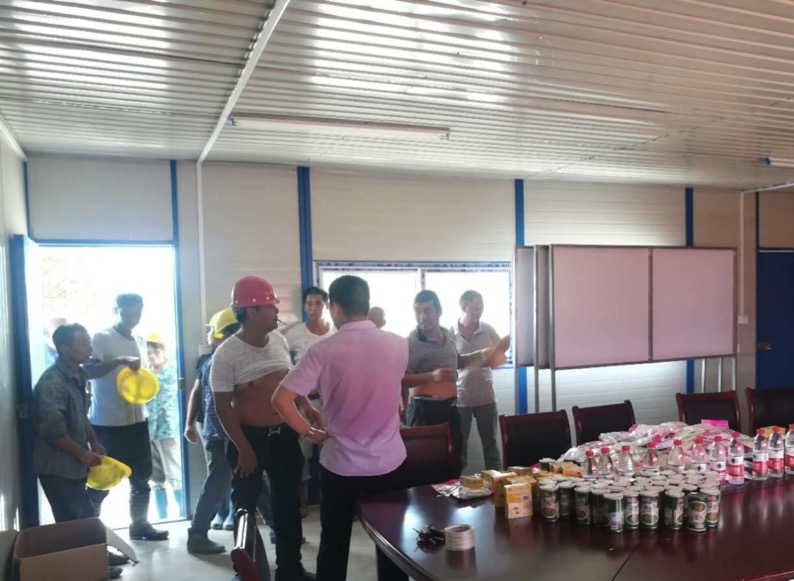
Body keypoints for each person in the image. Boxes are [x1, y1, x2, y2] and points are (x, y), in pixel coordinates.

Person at [273, 275, 408, 581]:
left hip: (341, 465)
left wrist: (310, 433)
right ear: (367, 305)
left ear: (335, 308)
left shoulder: (323, 351)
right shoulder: (398, 344)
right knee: (393, 545)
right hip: (389, 462)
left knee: (334, 544)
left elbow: (280, 399)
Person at [212, 276, 318, 581]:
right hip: (248, 440)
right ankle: (248, 572)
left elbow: (290, 382)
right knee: (245, 508)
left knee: (287, 504)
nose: (276, 311)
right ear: (252, 311)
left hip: (283, 436)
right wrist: (244, 449)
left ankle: (290, 568)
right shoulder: (226, 354)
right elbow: (223, 407)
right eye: (271, 306)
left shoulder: (279, 341)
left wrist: (307, 408)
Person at [32, 323, 125, 580]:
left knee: (85, 516)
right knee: (71, 522)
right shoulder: (52, 382)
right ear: (64, 348)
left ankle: (96, 556)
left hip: (74, 463)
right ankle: (83, 567)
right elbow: (52, 430)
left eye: (89, 341)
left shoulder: (79, 375)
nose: (89, 347)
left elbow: (82, 416)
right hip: (57, 466)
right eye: (83, 342)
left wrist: (93, 442)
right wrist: (82, 453)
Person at [84, 293, 168, 541]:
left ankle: (140, 525)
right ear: (116, 311)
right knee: (102, 480)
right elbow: (88, 370)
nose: (133, 318)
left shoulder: (140, 339)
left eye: (137, 312)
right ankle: (88, 532)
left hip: (138, 421)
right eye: (127, 313)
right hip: (107, 422)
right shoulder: (102, 337)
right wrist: (118, 361)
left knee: (142, 478)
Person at [402, 290, 509, 476]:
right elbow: (402, 378)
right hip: (424, 410)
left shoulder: (447, 334)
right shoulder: (411, 341)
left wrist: (484, 354)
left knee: (454, 462)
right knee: (426, 466)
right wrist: (430, 376)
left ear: (439, 311)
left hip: (451, 407)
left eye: (427, 310)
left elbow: (457, 361)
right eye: (417, 311)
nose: (422, 316)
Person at [184, 308, 239, 554]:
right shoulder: (220, 361)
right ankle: (197, 534)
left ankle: (277, 528)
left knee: (253, 482)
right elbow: (218, 403)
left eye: (211, 330)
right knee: (218, 483)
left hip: (224, 433)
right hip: (224, 434)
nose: (208, 334)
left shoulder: (223, 359)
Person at [280, 286, 334, 518]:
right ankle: (300, 502)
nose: (313, 308)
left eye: (318, 303)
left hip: (332, 403)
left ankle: (331, 500)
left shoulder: (336, 333)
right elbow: (284, 368)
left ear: (326, 305)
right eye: (309, 303)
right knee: (302, 455)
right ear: (304, 306)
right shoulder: (293, 335)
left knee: (332, 452)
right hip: (303, 404)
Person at [452, 291, 505, 471]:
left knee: (491, 446)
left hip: (486, 397)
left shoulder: (488, 330)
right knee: (459, 447)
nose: (480, 311)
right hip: (461, 398)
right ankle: (457, 483)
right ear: (463, 306)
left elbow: (500, 357)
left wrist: (494, 360)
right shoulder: (450, 332)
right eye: (476, 307)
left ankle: (496, 480)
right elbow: (449, 362)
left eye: (481, 307)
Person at [145, 333, 182, 519]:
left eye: (156, 351)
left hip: (168, 427)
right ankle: (162, 517)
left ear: (163, 352)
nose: (152, 356)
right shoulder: (144, 373)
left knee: (174, 471)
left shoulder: (173, 370)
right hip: (149, 428)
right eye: (149, 352)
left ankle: (183, 512)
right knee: (155, 475)